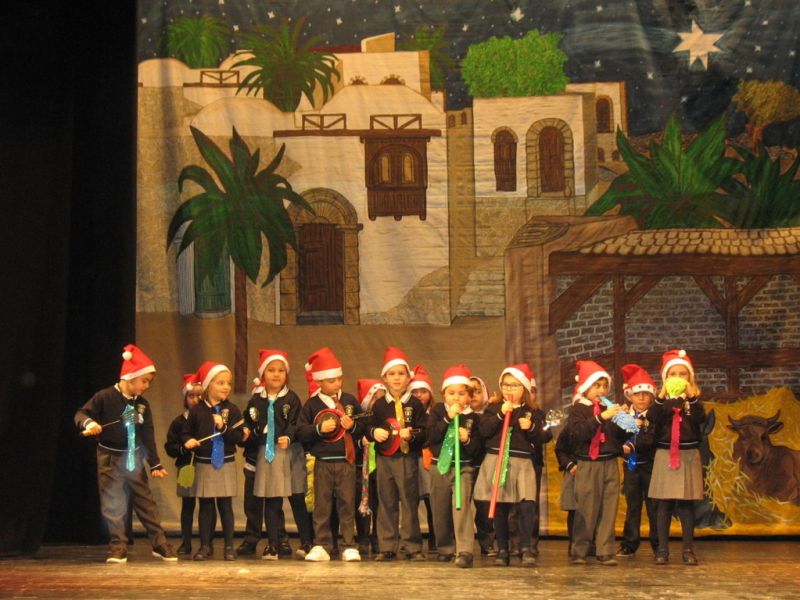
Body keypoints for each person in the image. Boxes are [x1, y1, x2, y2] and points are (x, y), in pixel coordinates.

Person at [75, 344, 177, 563]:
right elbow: (81, 414)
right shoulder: (105, 397)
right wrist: (89, 423)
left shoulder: (142, 405)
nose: (147, 386)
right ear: (130, 377)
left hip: (133, 458)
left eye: (149, 382)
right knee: (113, 503)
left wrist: (155, 463)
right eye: (144, 381)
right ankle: (118, 546)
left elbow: (147, 434)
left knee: (145, 501)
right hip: (109, 458)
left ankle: (159, 543)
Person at [473, 364, 547, 567]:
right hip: (497, 459)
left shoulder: (532, 411)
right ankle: (503, 549)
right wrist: (499, 415)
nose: (509, 389)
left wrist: (531, 427)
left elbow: (544, 436)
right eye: (506, 385)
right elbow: (484, 431)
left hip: (522, 462)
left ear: (524, 387)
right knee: (500, 506)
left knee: (526, 504)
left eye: (514, 385)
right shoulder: (493, 408)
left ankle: (526, 547)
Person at [241, 349, 309, 560]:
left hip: (290, 453)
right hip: (268, 454)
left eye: (281, 370)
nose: (276, 374)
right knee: (272, 498)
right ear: (263, 373)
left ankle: (307, 542)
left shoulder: (291, 398)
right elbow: (249, 423)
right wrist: (250, 432)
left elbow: (296, 422)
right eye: (271, 370)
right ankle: (273, 544)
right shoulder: (256, 401)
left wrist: (288, 436)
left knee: (297, 497)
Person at [297, 347, 364, 562]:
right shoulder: (312, 405)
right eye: (331, 380)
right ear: (319, 382)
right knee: (322, 505)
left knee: (347, 504)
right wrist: (319, 429)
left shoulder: (350, 401)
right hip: (323, 462)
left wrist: (353, 426)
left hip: (346, 462)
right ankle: (322, 544)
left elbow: (364, 426)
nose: (337, 384)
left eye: (339, 379)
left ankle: (349, 545)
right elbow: (301, 431)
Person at [368, 347, 428, 561]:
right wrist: (375, 432)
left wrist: (411, 435)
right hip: (385, 460)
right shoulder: (379, 405)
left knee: (409, 502)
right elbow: (369, 427)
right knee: (386, 501)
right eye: (392, 374)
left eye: (401, 373)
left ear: (408, 377)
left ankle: (412, 546)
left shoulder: (415, 404)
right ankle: (387, 546)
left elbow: (425, 431)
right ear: (384, 378)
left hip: (406, 458)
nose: (396, 378)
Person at [648, 349, 706, 565]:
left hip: (688, 454)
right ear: (665, 377)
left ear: (690, 377)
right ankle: (662, 549)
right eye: (673, 374)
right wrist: (662, 396)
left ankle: (688, 549)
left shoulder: (693, 400)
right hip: (665, 454)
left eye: (683, 374)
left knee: (686, 505)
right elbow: (652, 417)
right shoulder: (662, 401)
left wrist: (691, 396)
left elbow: (700, 418)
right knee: (664, 504)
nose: (678, 377)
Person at [566, 360, 626, 566]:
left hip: (609, 462)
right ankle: (580, 550)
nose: (601, 390)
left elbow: (618, 436)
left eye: (604, 386)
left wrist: (627, 422)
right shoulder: (578, 409)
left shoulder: (608, 408)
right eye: (596, 386)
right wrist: (601, 418)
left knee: (609, 508)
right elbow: (578, 433)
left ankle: (605, 550)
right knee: (587, 509)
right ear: (585, 387)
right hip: (588, 464)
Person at [182, 361, 243, 561]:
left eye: (228, 383)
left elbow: (238, 437)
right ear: (208, 386)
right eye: (220, 383)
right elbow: (186, 432)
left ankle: (229, 546)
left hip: (225, 461)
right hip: (204, 462)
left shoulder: (232, 410)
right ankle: (205, 546)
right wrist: (187, 440)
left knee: (225, 506)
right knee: (206, 506)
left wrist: (223, 427)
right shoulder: (197, 410)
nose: (226, 387)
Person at [427, 365, 482, 568]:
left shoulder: (474, 418)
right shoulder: (438, 412)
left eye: (461, 393)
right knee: (439, 509)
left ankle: (465, 550)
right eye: (451, 393)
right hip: (440, 467)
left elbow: (477, 449)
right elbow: (431, 437)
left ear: (469, 396)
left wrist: (467, 440)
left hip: (462, 468)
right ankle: (445, 548)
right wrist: (447, 418)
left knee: (461, 508)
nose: (456, 398)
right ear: (444, 394)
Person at [616, 363, 657, 558]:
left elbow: (652, 439)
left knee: (654, 505)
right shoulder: (622, 415)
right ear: (629, 395)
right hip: (630, 466)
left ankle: (658, 544)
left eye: (645, 394)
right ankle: (629, 543)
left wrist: (637, 435)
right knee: (633, 505)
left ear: (651, 396)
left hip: (650, 465)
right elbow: (616, 437)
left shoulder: (655, 416)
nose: (641, 398)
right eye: (637, 394)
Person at [164, 373, 203, 557]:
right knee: (187, 505)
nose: (195, 400)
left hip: (206, 467)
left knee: (207, 505)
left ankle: (206, 543)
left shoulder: (209, 419)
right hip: (186, 467)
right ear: (185, 398)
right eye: (191, 396)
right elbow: (169, 446)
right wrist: (182, 448)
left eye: (199, 395)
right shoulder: (179, 422)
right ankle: (186, 542)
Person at [409, 363, 437, 554]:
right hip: (412, 459)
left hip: (428, 460)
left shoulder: (435, 413)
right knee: (411, 502)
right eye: (415, 392)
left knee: (432, 502)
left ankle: (435, 539)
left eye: (423, 391)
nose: (419, 395)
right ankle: (413, 542)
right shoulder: (407, 412)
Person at [355, 379, 384, 556]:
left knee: (380, 504)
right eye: (375, 399)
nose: (379, 402)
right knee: (363, 503)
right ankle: (363, 538)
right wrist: (361, 442)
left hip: (380, 466)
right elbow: (352, 441)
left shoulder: (385, 419)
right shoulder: (360, 419)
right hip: (362, 467)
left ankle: (378, 538)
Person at [469, 376, 495, 556]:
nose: (473, 396)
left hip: (484, 466)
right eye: (469, 392)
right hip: (463, 465)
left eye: (477, 392)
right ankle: (461, 546)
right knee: (460, 507)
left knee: (485, 507)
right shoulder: (458, 415)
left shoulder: (489, 415)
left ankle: (487, 543)